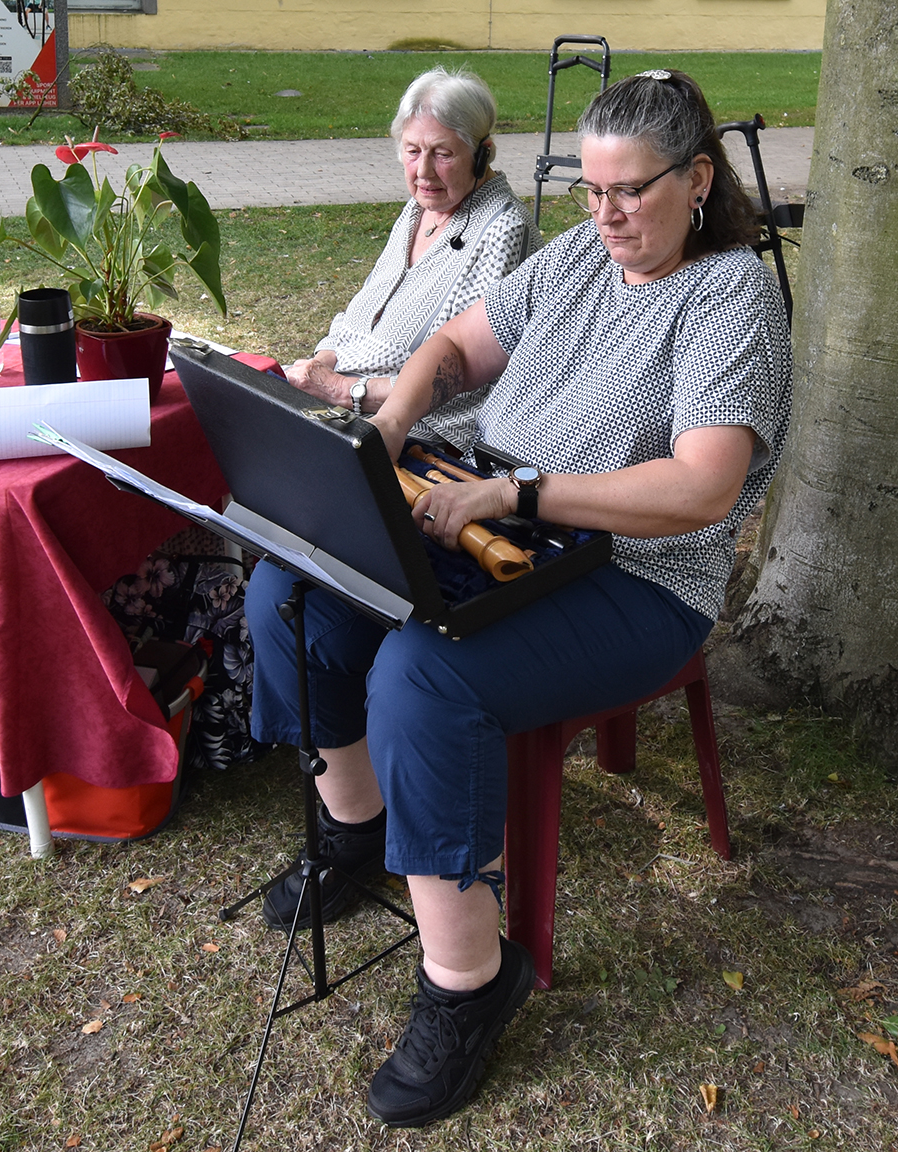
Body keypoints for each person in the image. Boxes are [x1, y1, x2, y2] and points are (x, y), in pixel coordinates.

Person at [245, 70, 792, 1126]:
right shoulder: (586, 253)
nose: (607, 214)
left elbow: (702, 486)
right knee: (291, 592)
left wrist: (519, 490)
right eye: (591, 190)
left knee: (426, 675)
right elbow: (452, 346)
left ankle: (468, 981)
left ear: (698, 179)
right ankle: (354, 826)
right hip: (498, 524)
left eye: (632, 190)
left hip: (639, 579)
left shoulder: (730, 294)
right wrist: (393, 426)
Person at [284, 66, 540, 455]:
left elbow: (469, 381)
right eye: (412, 151)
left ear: (482, 153)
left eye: (443, 154)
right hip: (346, 401)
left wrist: (345, 390)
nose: (423, 172)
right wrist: (320, 363)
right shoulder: (418, 210)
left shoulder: (504, 229)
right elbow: (362, 312)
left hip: (419, 436)